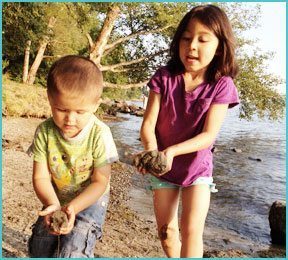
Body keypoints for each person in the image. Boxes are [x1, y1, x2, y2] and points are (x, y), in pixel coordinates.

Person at [137, 5, 239, 258]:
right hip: (164, 168)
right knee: (166, 231)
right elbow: (148, 123)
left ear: (219, 47)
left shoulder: (221, 86)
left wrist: (171, 151)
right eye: (186, 38)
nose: (192, 45)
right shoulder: (163, 77)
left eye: (203, 40)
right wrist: (152, 154)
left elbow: (208, 135)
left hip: (197, 168)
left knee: (191, 229)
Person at [27, 55, 118, 258]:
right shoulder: (45, 132)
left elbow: (100, 181)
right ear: (50, 99)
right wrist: (52, 203)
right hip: (57, 196)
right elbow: (40, 177)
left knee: (73, 248)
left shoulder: (99, 134)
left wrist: (73, 208)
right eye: (61, 109)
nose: (70, 119)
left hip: (90, 200)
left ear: (95, 105)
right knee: (40, 246)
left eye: (80, 111)